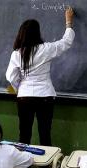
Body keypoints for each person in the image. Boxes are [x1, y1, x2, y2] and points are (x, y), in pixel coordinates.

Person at [5, 7, 75, 147]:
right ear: (37, 33)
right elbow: (66, 42)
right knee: (45, 133)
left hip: (24, 97)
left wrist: (20, 88)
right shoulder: (46, 49)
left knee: (24, 134)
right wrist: (68, 22)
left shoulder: (17, 54)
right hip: (45, 96)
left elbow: (10, 77)